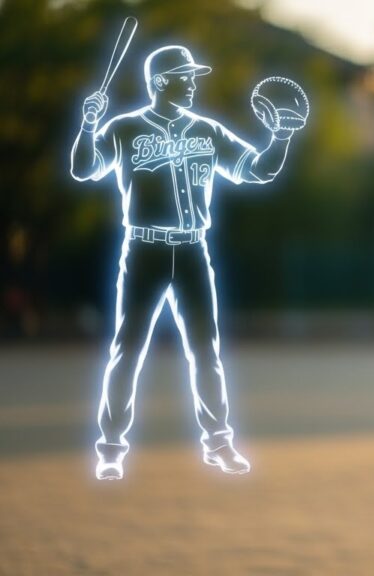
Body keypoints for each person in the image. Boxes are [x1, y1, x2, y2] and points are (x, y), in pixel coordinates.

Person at [70, 45, 297, 480]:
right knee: (128, 349)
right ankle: (112, 449)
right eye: (184, 76)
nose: (193, 83)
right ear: (159, 82)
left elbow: (257, 170)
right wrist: (87, 124)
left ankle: (219, 443)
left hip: (193, 251)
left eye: (193, 76)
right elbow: (85, 169)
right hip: (144, 251)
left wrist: (280, 137)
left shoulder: (207, 131)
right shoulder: (125, 128)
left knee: (205, 351)